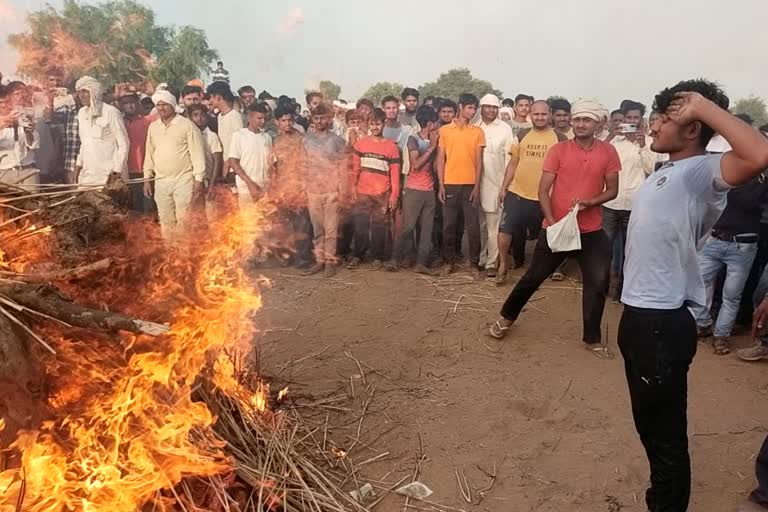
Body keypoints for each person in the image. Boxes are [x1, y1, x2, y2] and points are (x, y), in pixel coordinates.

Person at [619, 79, 768, 512]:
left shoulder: (701, 172)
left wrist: (702, 105)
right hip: (641, 317)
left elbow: (759, 154)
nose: (654, 124)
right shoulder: (668, 171)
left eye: (666, 116)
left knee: (665, 439)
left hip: (661, 323)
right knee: (651, 429)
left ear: (691, 128)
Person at [490, 99, 620, 357]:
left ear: (597, 123)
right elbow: (543, 189)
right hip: (557, 228)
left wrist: (591, 202)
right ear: (572, 121)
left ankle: (592, 338)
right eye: (578, 119)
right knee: (533, 277)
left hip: (591, 230)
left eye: (587, 120)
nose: (581, 124)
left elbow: (613, 190)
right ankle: (507, 317)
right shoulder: (559, 150)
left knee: (597, 283)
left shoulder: (608, 152)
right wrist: (550, 221)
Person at [689, 172, 768, 355]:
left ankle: (720, 335)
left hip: (742, 244)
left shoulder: (753, 179)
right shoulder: (729, 172)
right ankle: (705, 325)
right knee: (699, 285)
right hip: (716, 239)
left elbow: (745, 201)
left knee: (731, 295)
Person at [496, 100, 568, 282]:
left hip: (546, 195)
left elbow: (565, 168)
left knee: (550, 230)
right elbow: (513, 163)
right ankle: (503, 265)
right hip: (517, 192)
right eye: (536, 114)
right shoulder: (522, 134)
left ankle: (554, 266)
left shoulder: (560, 138)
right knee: (505, 229)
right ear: (531, 115)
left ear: (549, 114)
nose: (540, 117)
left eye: (544, 114)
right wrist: (504, 187)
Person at [602, 100, 657, 301]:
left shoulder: (650, 143)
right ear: (622, 120)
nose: (632, 122)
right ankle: (602, 286)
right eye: (628, 118)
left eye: (635, 118)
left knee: (630, 251)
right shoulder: (613, 143)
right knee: (604, 248)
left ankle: (623, 290)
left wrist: (643, 145)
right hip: (610, 203)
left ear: (641, 120)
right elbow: (597, 160)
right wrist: (611, 135)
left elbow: (652, 169)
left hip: (635, 206)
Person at [143, 90, 206, 241]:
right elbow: (149, 154)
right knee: (165, 221)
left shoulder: (187, 125)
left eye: (165, 104)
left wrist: (199, 180)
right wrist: (147, 178)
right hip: (161, 181)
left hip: (183, 180)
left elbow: (197, 154)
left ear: (172, 105)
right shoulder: (153, 127)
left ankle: (183, 258)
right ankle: (171, 257)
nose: (161, 108)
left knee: (184, 221)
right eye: (158, 105)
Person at [436, 93, 485, 276]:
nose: (472, 111)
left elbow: (480, 162)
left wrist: (477, 187)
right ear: (461, 107)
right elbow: (441, 159)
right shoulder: (445, 131)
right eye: (469, 107)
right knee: (449, 226)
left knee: (473, 227)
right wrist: (441, 184)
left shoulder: (478, 132)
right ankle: (449, 262)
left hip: (470, 185)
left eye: (474, 108)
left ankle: (474, 264)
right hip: (450, 184)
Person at [347, 108, 401, 269]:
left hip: (382, 193)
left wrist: (394, 196)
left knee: (379, 226)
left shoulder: (391, 147)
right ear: (368, 124)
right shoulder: (361, 144)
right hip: (363, 192)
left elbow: (395, 174)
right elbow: (355, 169)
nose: (375, 127)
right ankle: (358, 255)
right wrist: (352, 188)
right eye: (372, 124)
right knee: (360, 225)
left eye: (378, 124)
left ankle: (377, 256)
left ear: (384, 124)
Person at [390, 106, 439, 275]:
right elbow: (416, 165)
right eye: (435, 121)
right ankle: (395, 258)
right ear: (430, 123)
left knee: (427, 229)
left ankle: (420, 263)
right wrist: (432, 147)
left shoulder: (432, 139)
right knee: (408, 227)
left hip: (429, 190)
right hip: (414, 189)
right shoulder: (413, 139)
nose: (438, 124)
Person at [301, 103, 348, 277]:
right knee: (317, 230)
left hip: (331, 192)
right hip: (313, 191)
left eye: (323, 118)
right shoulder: (306, 140)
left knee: (330, 230)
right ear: (312, 119)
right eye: (316, 118)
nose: (320, 121)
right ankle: (319, 261)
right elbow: (302, 165)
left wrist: (342, 190)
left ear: (329, 119)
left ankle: (330, 262)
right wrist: (303, 187)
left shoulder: (337, 141)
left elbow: (343, 166)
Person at [474, 94, 515, 277]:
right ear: (481, 108)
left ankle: (491, 263)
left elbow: (509, 159)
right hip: (475, 185)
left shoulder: (505, 129)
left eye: (494, 107)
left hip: (496, 184)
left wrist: (505, 186)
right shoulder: (474, 128)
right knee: (479, 226)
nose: (491, 110)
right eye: (487, 107)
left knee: (493, 227)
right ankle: (481, 259)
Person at [271, 105, 312, 268]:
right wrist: (274, 188)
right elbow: (273, 167)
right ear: (277, 122)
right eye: (283, 120)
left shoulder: (302, 139)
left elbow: (307, 166)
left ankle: (303, 259)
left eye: (290, 120)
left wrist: (304, 187)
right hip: (283, 190)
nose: (287, 123)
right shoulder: (275, 141)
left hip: (300, 189)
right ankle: (286, 257)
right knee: (283, 227)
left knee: (302, 226)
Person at [73, 76, 129, 186]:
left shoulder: (111, 112)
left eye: (85, 91)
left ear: (94, 92)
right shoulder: (81, 113)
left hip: (109, 176)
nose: (81, 95)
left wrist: (117, 171)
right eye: (79, 92)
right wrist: (78, 166)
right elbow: (84, 143)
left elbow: (124, 144)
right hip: (88, 175)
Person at [228, 103, 272, 205]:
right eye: (259, 118)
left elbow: (270, 163)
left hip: (264, 188)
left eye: (264, 118)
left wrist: (269, 184)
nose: (263, 121)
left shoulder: (267, 137)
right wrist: (250, 184)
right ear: (249, 117)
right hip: (246, 189)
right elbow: (233, 162)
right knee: (249, 219)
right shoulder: (239, 135)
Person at [119, 93, 154, 212]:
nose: (130, 106)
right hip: (126, 172)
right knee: (132, 208)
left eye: (132, 102)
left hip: (145, 172)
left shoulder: (148, 121)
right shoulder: (119, 122)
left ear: (138, 103)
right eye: (125, 103)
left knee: (149, 208)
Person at [0, 82, 39, 187]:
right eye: (17, 94)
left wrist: (28, 132)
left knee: (32, 202)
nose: (21, 97)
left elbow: (34, 145)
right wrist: (4, 123)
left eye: (23, 94)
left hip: (28, 170)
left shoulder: (27, 114)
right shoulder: (2, 119)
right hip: (4, 172)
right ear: (8, 97)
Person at [207, 82, 244, 187]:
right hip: (226, 166)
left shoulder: (234, 116)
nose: (210, 101)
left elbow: (239, 145)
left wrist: (228, 165)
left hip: (234, 167)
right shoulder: (220, 117)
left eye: (211, 97)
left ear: (218, 97)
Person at [187, 104, 223, 205]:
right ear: (190, 117)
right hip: (191, 180)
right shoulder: (187, 135)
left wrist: (212, 184)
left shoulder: (211, 136)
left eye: (202, 115)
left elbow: (217, 161)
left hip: (207, 180)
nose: (199, 118)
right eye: (195, 115)